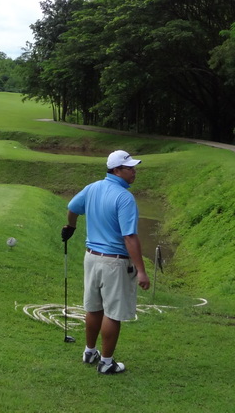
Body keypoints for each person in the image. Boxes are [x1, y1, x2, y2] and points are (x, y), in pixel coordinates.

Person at [61, 149, 150, 375]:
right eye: (130, 168)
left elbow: (72, 208)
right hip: (115, 263)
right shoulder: (125, 198)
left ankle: (90, 351)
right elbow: (129, 237)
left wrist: (71, 226)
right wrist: (141, 271)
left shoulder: (92, 188)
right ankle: (107, 363)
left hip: (91, 258)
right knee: (112, 313)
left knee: (94, 308)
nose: (134, 172)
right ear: (117, 170)